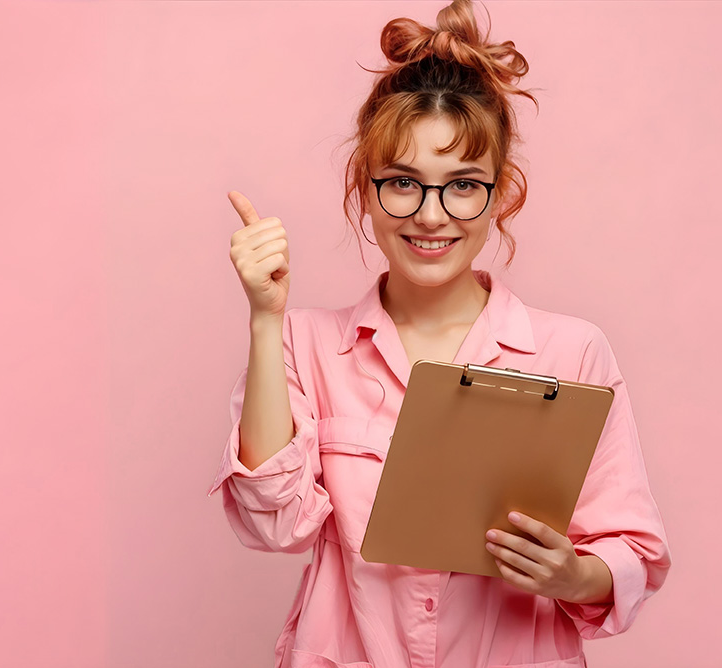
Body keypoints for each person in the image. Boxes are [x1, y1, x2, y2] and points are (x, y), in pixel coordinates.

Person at [207, 1, 671, 666]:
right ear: (363, 189)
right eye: (403, 183)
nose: (431, 216)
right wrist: (264, 316)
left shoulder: (572, 353)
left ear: (501, 191)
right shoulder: (303, 345)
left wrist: (572, 575)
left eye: (462, 186)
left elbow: (635, 552)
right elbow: (270, 523)